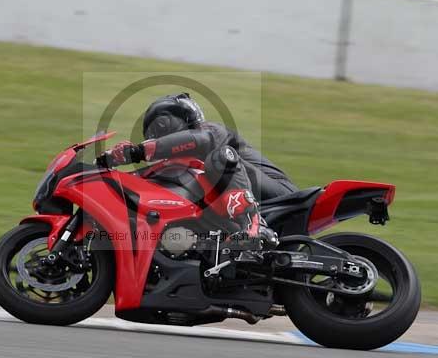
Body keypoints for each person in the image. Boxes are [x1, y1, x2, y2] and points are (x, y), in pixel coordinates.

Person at [101, 93, 298, 251]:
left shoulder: (212, 131)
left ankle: (254, 226)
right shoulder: (190, 159)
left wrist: (138, 151)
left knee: (219, 157)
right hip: (246, 195)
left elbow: (200, 140)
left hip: (279, 195)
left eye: (157, 134)